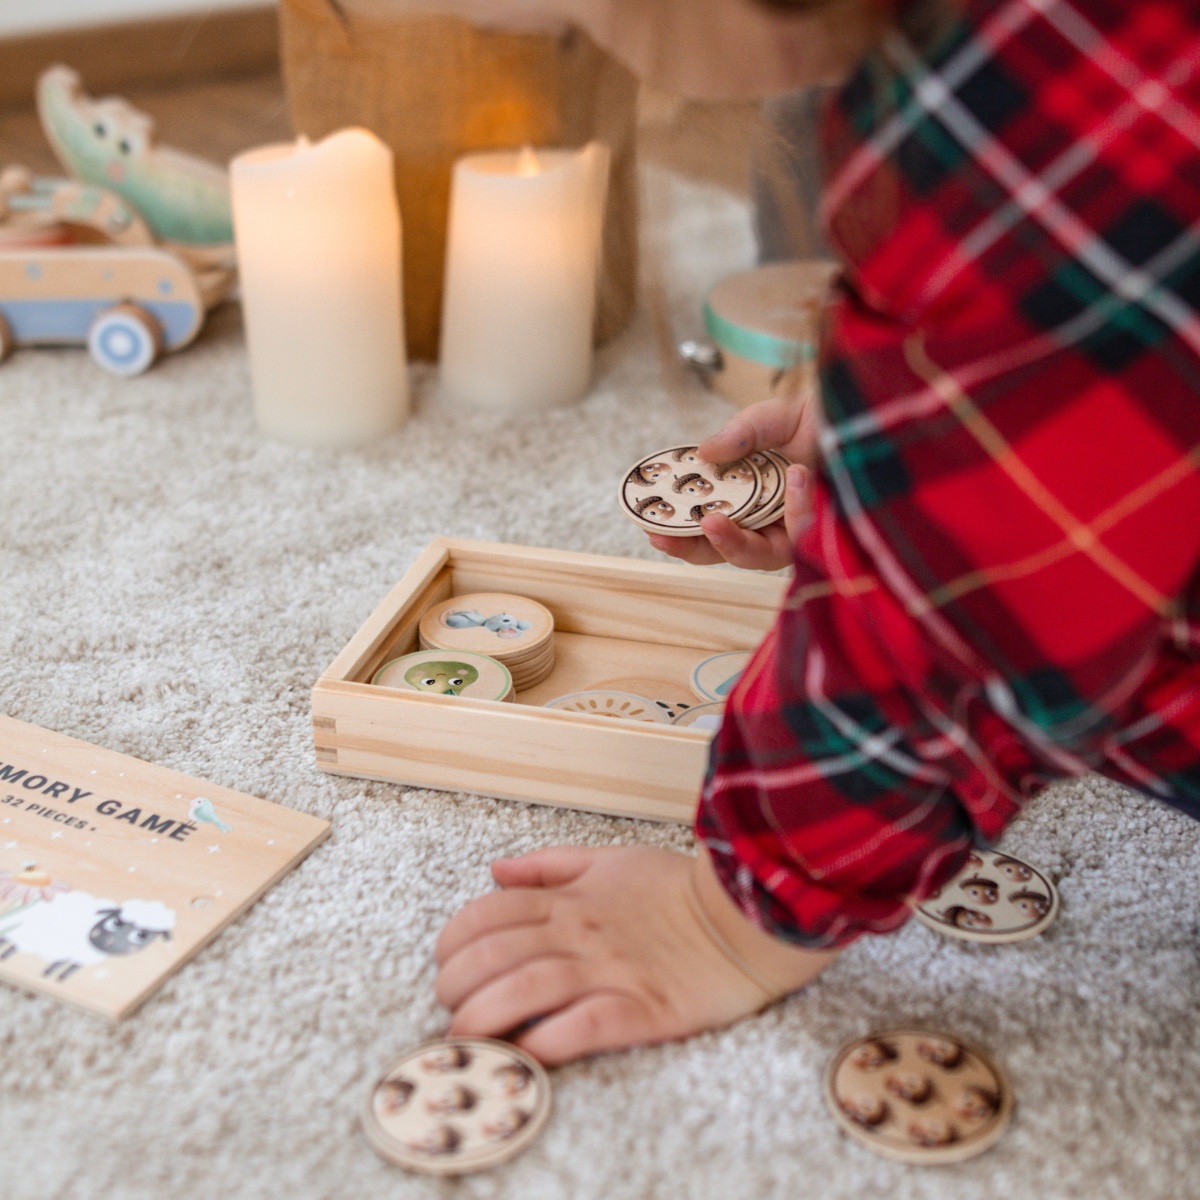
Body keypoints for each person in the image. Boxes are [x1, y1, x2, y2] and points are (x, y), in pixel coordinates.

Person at [424, 0, 1200, 1066]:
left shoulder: (1024, 93)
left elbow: (967, 609)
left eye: (568, 13)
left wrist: (729, 913)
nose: (589, 42)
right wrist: (900, 426)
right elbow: (1105, 381)